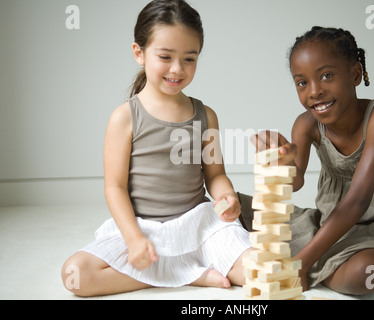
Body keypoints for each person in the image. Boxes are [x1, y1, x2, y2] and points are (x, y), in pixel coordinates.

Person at [61, 0, 250, 297]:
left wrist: (225, 194)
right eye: (165, 56)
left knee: (258, 269)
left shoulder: (205, 115)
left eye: (190, 58)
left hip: (198, 225)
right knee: (76, 276)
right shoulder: (124, 117)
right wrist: (134, 239)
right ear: (139, 53)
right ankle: (186, 274)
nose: (178, 69)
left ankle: (175, 268)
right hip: (141, 228)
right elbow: (115, 187)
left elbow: (215, 174)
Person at [240, 26, 374, 295]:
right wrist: (282, 159)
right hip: (332, 224)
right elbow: (294, 182)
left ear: (355, 74)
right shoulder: (306, 124)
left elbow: (358, 200)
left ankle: (307, 267)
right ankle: (316, 263)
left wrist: (303, 261)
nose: (314, 92)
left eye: (326, 76)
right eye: (302, 82)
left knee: (364, 275)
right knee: (238, 207)